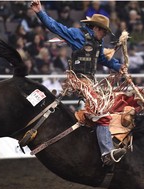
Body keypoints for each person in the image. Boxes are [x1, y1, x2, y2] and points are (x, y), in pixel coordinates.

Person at [30, 0, 127, 166]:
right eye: (103, 32)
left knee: (108, 106)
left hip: (90, 81)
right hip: (79, 80)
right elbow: (55, 26)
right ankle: (106, 152)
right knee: (100, 108)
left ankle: (98, 142)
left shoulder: (97, 43)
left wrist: (119, 66)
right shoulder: (77, 35)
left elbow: (103, 59)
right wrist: (40, 12)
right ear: (97, 28)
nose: (104, 35)